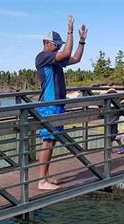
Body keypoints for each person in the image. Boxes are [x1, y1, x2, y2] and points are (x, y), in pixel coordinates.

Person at [35, 15, 88, 190]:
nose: (58, 46)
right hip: (49, 104)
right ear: (46, 43)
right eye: (56, 44)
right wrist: (70, 32)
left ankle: (46, 177)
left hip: (57, 104)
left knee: (52, 140)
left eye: (59, 43)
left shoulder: (55, 59)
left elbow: (75, 59)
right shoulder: (43, 56)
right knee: (48, 141)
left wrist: (81, 41)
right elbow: (66, 53)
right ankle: (42, 181)